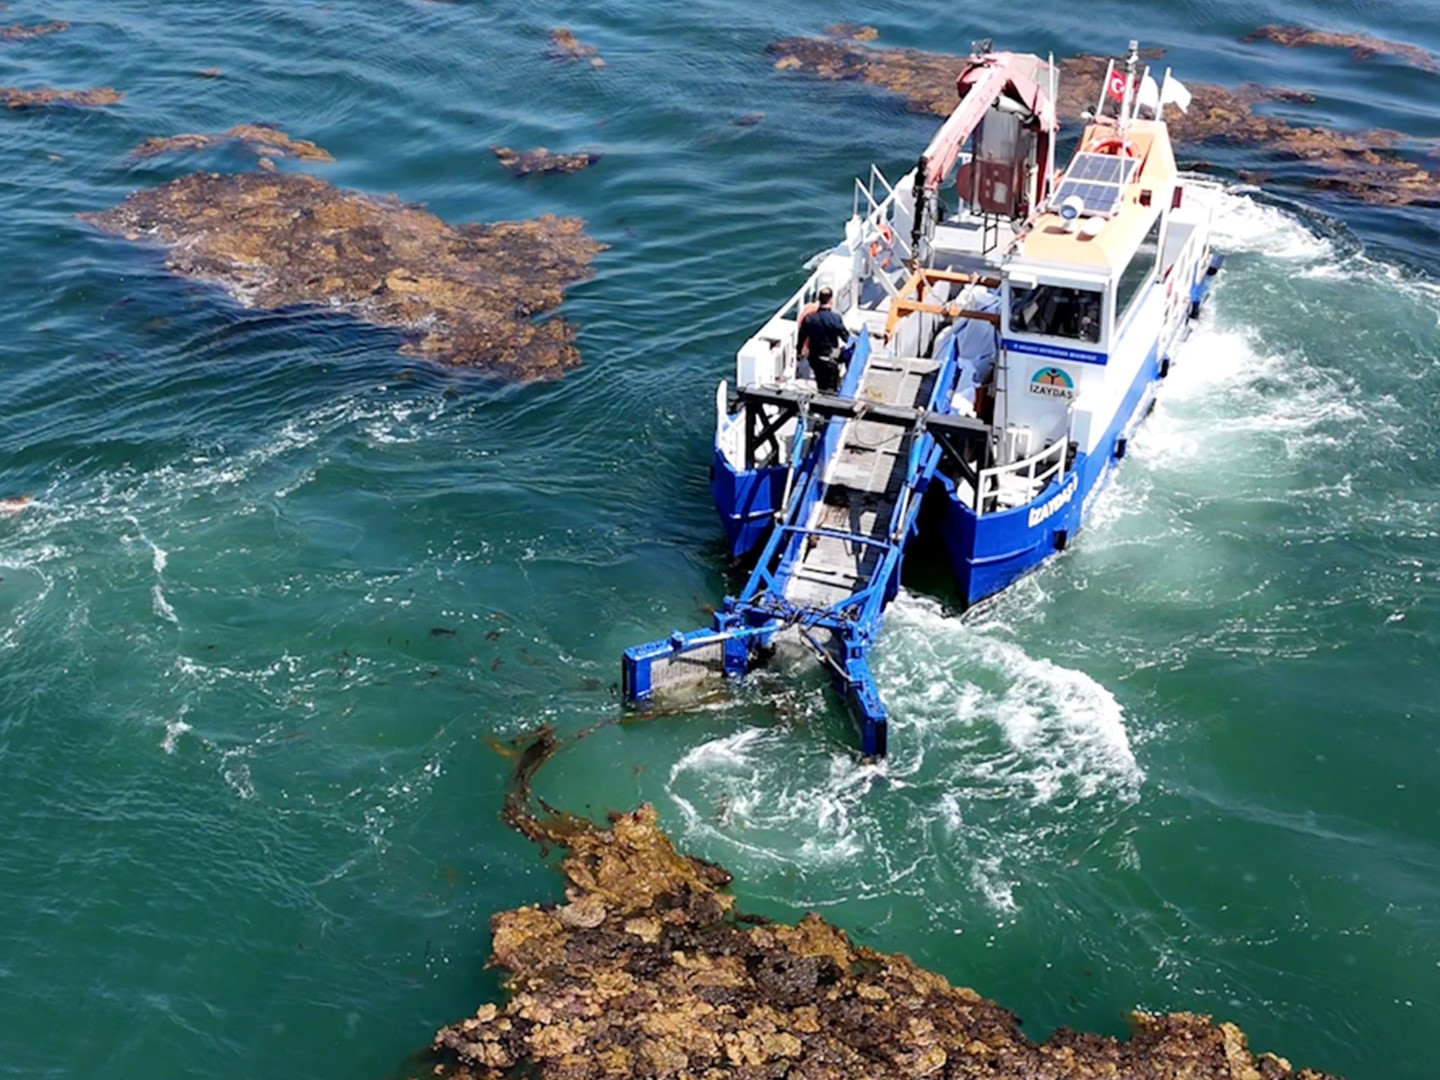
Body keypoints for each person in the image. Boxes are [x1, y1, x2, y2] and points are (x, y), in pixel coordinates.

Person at [796, 286, 848, 393]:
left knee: (820, 381)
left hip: (814, 358)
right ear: (831, 300)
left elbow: (801, 338)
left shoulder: (809, 319)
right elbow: (845, 337)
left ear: (819, 300)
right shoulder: (835, 318)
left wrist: (799, 353)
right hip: (830, 358)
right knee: (832, 385)